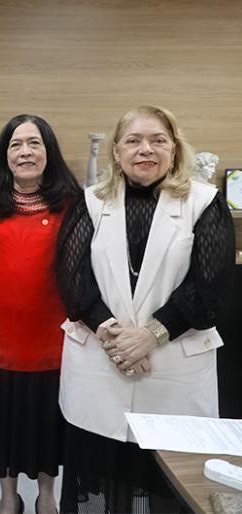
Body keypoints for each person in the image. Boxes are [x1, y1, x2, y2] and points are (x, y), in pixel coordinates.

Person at [56, 105, 235, 513]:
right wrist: (116, 336)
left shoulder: (205, 203)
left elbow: (210, 291)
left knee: (166, 482)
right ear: (116, 152)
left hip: (172, 368)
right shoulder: (89, 202)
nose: (145, 149)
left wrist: (148, 336)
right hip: (101, 366)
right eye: (133, 140)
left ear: (174, 149)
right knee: (98, 481)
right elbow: (72, 280)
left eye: (158, 140)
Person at [0, 114, 81, 514]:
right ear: (4, 154)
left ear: (49, 152)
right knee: (3, 427)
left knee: (48, 427)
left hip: (55, 346)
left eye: (34, 143)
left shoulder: (74, 205)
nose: (25, 151)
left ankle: (47, 495)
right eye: (15, 144)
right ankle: (8, 497)